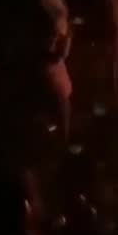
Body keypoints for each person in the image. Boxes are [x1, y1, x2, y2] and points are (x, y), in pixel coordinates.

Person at [42, 15, 74, 144]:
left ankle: (62, 134)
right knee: (62, 106)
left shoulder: (56, 38)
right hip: (54, 74)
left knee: (62, 106)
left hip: (56, 72)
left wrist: (67, 39)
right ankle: (63, 138)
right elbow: (56, 56)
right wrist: (66, 40)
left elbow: (62, 55)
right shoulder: (50, 41)